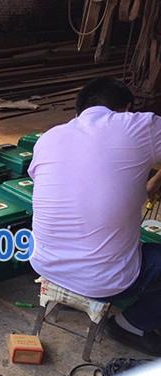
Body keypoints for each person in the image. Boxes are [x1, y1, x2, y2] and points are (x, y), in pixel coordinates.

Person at [28, 76, 161, 356]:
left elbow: (104, 195)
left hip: (45, 264)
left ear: (80, 110)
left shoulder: (49, 137)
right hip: (104, 281)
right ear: (126, 109)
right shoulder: (138, 126)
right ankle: (131, 325)